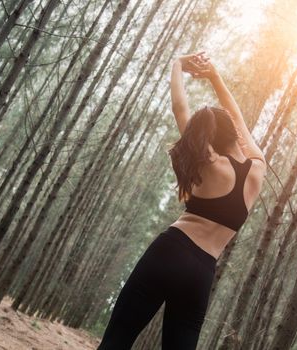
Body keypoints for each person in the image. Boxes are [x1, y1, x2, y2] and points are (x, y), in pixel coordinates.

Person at [97, 52, 267, 349]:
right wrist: (215, 77)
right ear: (235, 133)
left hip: (171, 250)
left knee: (117, 340)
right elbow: (237, 116)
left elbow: (180, 108)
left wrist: (176, 63)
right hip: (201, 272)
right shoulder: (258, 167)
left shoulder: (209, 160)